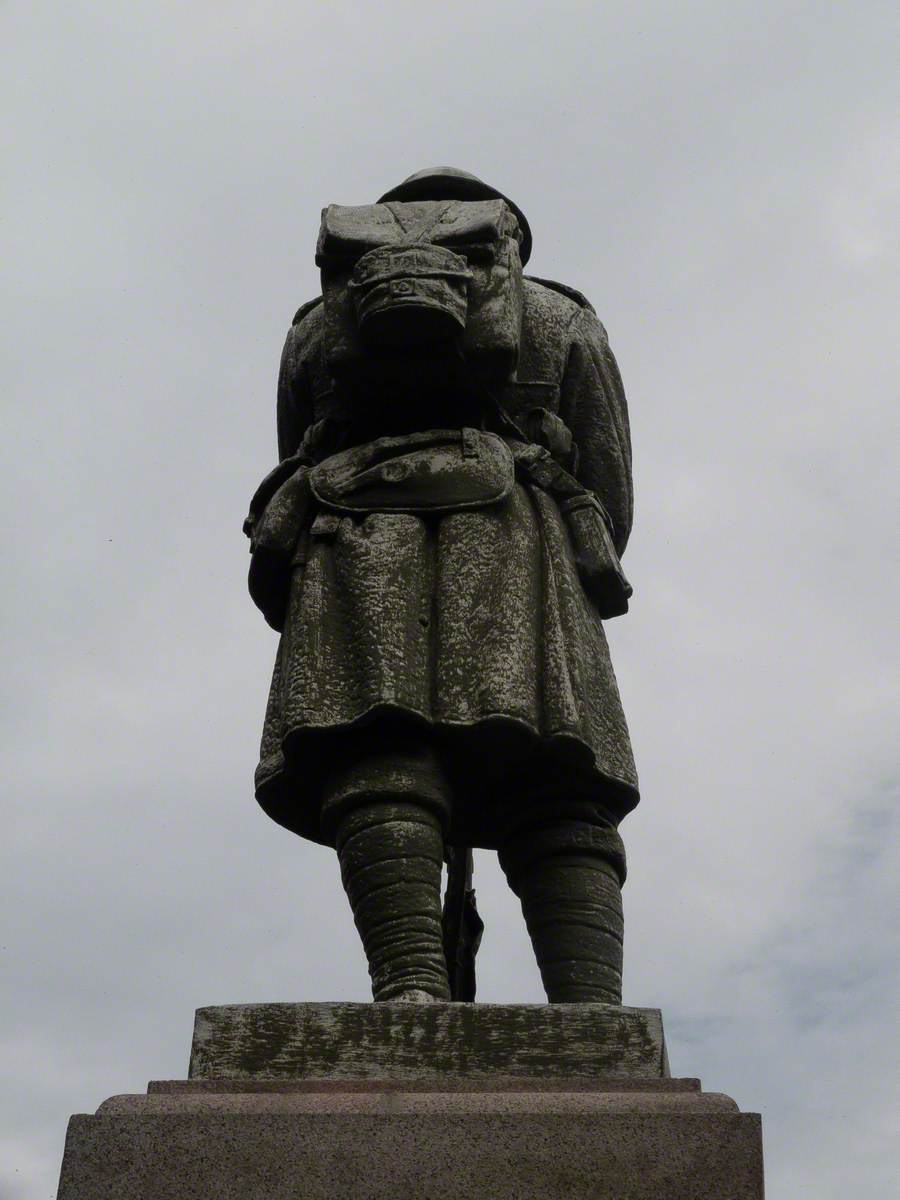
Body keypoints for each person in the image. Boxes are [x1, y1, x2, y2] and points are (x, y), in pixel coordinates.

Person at [245, 168, 639, 1004]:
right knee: (559, 780)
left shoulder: (320, 324)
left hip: (353, 538)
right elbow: (607, 482)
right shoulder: (560, 315)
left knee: (376, 752)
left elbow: (298, 444)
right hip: (517, 535)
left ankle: (411, 986)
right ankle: (591, 1014)